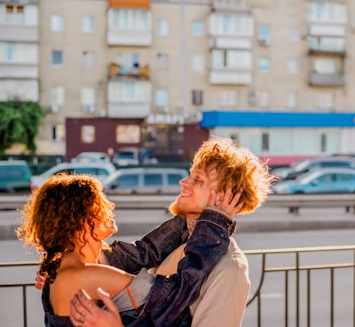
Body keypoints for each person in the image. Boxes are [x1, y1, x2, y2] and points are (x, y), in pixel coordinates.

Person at [68, 136, 276, 327]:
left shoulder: (230, 268)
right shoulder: (177, 240)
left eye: (198, 180)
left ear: (222, 197)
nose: (183, 183)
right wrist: (68, 264)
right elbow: (135, 259)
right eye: (190, 175)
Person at [19, 173, 243, 327]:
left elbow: (144, 252)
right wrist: (214, 223)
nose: (111, 206)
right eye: (100, 202)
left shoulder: (77, 264)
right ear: (79, 221)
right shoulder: (86, 274)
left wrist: (193, 216)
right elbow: (175, 296)